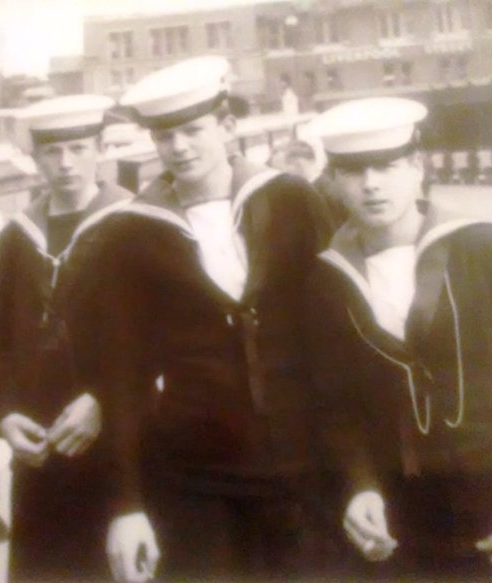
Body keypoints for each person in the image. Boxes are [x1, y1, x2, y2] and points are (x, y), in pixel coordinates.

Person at [302, 97, 492, 581]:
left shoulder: (488, 249)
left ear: (417, 167)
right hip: (407, 539)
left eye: (387, 166)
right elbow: (336, 406)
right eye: (352, 171)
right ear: (331, 181)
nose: (371, 184)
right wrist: (360, 486)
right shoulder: (327, 279)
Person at [86, 56, 332, 582]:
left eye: (193, 131)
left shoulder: (289, 200)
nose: (179, 148)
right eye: (165, 136)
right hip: (197, 474)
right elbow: (123, 375)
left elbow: (341, 328)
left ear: (226, 128)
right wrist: (126, 504)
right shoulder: (132, 232)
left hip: (304, 463)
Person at [0, 94, 133, 581]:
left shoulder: (134, 224)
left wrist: (103, 400)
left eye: (78, 148)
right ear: (36, 157)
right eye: (52, 152)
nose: (66, 163)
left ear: (99, 148)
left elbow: (159, 340)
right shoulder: (17, 236)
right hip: (40, 448)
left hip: (122, 443)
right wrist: (4, 414)